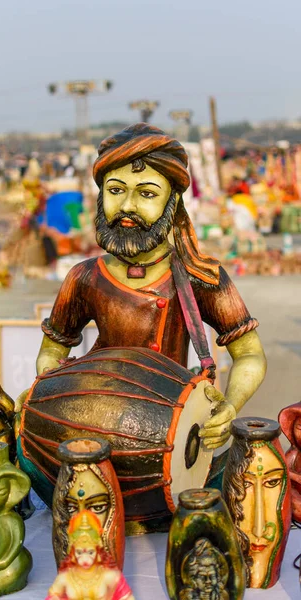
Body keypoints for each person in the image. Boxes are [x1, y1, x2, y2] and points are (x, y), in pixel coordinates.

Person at [35, 124, 267, 449]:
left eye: (146, 194)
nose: (127, 206)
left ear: (173, 203)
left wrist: (230, 405)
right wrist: (52, 387)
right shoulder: (84, 277)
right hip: (93, 430)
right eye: (116, 190)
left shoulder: (200, 276)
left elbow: (250, 354)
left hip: (169, 430)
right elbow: (50, 353)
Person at [46, 510, 134, 600]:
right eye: (79, 552)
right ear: (72, 551)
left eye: (90, 552)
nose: (85, 558)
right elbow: (53, 596)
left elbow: (126, 597)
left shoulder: (110, 576)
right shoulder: (65, 578)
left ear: (98, 550)